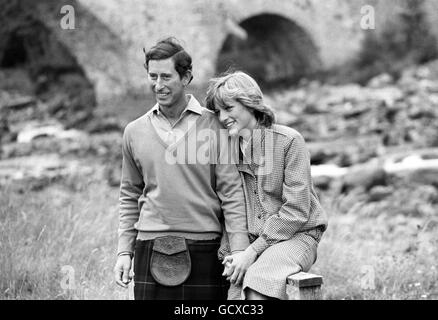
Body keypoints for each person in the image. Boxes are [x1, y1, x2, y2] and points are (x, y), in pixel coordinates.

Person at [113, 38, 250, 300]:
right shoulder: (134, 131)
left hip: (205, 246)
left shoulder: (216, 127)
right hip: (148, 245)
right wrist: (123, 251)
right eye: (153, 76)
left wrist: (240, 249)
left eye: (166, 76)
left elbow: (231, 193)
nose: (158, 85)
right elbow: (129, 195)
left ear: (186, 76)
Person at [206, 71, 328, 300]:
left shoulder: (289, 141)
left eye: (229, 108)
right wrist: (237, 251)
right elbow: (228, 206)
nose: (222, 117)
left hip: (297, 237)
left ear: (250, 104)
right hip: (250, 243)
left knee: (257, 284)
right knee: (233, 296)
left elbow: (296, 211)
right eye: (218, 111)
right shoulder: (226, 150)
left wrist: (252, 252)